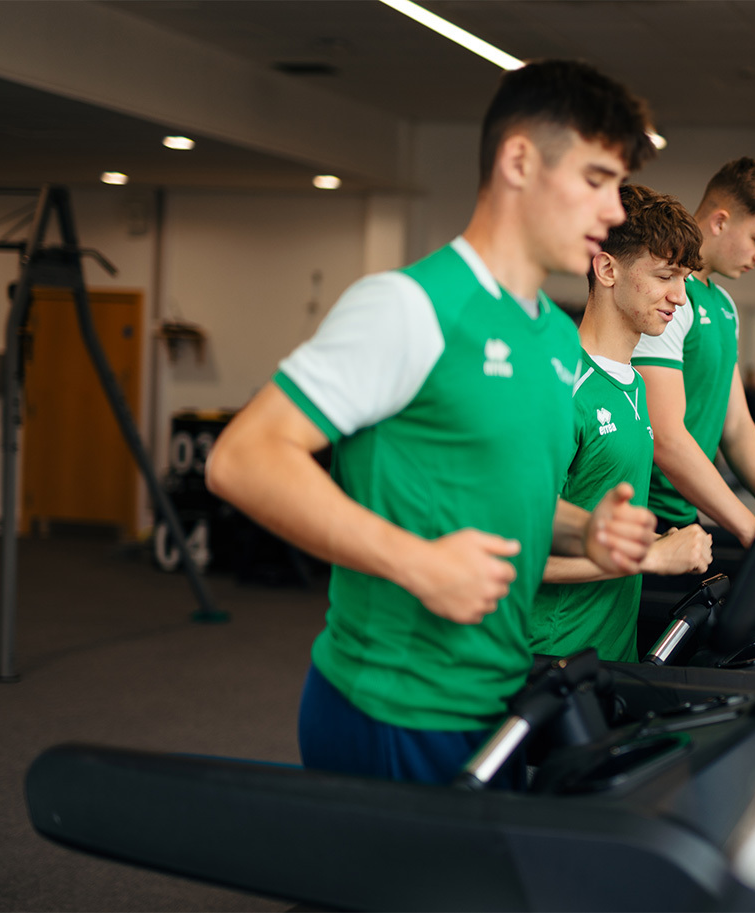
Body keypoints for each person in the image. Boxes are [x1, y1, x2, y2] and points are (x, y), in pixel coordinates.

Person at [206, 60, 659, 786]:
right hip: (395, 702)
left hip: (498, 693)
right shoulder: (410, 305)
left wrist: (585, 530)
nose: (612, 212)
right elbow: (245, 457)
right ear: (518, 160)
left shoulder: (548, 334)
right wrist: (415, 562)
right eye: (596, 180)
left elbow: (489, 486)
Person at [532, 184, 713, 663]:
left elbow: (589, 517)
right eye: (664, 276)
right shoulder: (562, 387)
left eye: (685, 279)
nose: (680, 296)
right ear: (607, 268)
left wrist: (659, 542)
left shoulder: (632, 383)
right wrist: (648, 557)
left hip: (609, 658)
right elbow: (519, 552)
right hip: (550, 661)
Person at [632, 157, 755, 547]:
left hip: (685, 517)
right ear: (720, 222)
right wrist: (748, 527)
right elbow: (665, 438)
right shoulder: (667, 301)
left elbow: (736, 426)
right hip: (644, 521)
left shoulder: (724, 308)